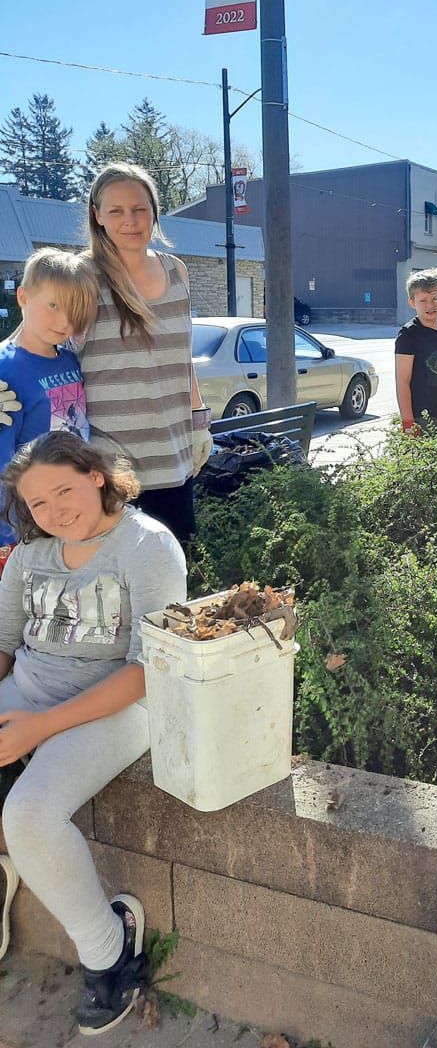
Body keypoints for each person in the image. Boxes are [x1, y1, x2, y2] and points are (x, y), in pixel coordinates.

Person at [0, 431, 187, 1035]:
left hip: (118, 705)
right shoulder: (31, 555)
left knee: (30, 815)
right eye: (38, 504)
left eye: (64, 491)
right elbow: (4, 645)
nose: (54, 512)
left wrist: (40, 729)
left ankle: (112, 954)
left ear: (97, 476)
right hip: (29, 691)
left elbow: (145, 671)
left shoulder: (145, 546)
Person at [79, 163, 212, 542]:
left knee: (174, 585)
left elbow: (182, 360)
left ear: (154, 211)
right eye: (116, 210)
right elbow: (33, 339)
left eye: (139, 209)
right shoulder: (81, 278)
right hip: (108, 471)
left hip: (175, 460)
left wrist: (199, 423)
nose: (130, 221)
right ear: (97, 214)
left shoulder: (177, 272)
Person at [0, 249, 98, 553]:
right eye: (53, 305)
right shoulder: (6, 370)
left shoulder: (71, 360)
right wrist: (9, 538)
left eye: (72, 309)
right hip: (27, 530)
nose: (63, 320)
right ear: (23, 298)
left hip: (75, 516)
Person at [394, 269, 437, 432]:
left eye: (436, 298)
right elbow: (402, 381)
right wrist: (408, 422)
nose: (430, 305)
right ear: (412, 302)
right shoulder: (409, 335)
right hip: (423, 417)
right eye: (423, 300)